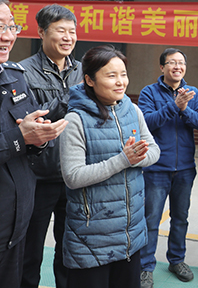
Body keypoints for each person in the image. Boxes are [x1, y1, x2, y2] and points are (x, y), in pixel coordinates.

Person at [59, 45, 160, 288]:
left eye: (123, 74)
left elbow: (155, 151)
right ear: (89, 80)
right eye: (111, 75)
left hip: (130, 234)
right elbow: (73, 176)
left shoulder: (133, 110)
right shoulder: (75, 120)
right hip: (91, 239)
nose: (120, 82)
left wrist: (136, 157)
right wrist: (123, 160)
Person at [0, 0, 68, 287]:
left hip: (18, 217)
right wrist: (20, 137)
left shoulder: (14, 77)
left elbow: (28, 129)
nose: (7, 36)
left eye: (11, 27)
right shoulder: (28, 68)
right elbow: (18, 136)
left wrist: (39, 137)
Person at [20, 4, 82, 288]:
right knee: (30, 251)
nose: (68, 37)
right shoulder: (22, 73)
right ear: (42, 32)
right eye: (61, 31)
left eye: (72, 31)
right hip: (38, 176)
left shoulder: (83, 70)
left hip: (74, 176)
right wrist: (69, 98)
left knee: (69, 251)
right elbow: (32, 119)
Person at [138, 48, 198, 286]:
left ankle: (177, 260)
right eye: (172, 63)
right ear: (162, 67)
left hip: (185, 168)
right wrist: (173, 106)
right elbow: (147, 122)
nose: (177, 67)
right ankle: (146, 266)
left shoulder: (193, 93)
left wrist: (186, 109)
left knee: (181, 218)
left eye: (181, 63)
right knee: (151, 220)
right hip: (156, 168)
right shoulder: (149, 92)